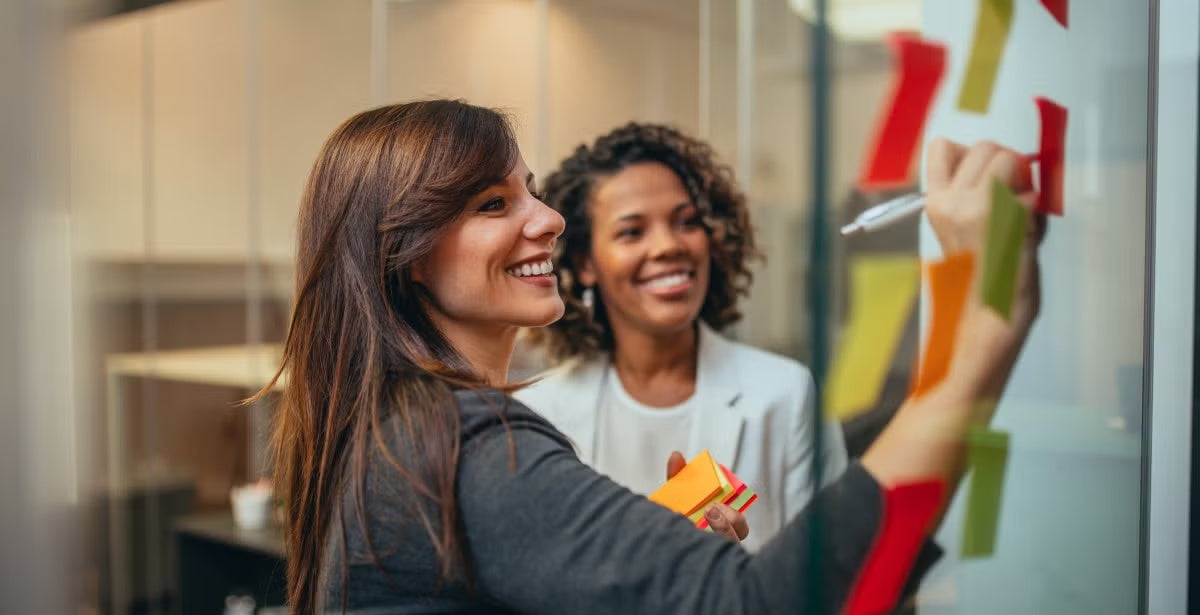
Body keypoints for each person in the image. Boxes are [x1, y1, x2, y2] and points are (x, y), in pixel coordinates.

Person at [253, 99, 1045, 614]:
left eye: (530, 191)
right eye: (494, 204)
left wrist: (644, 557)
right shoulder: (468, 446)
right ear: (411, 256)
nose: (549, 219)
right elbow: (765, 606)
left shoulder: (405, 430)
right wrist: (982, 332)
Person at [515, 123, 848, 552]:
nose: (669, 245)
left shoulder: (786, 395)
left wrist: (727, 574)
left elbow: (838, 578)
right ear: (585, 264)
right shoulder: (538, 413)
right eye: (632, 231)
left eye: (687, 221)